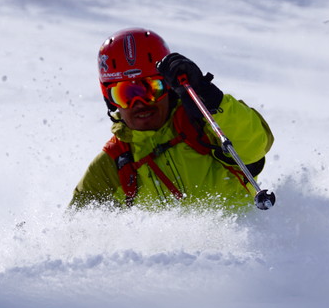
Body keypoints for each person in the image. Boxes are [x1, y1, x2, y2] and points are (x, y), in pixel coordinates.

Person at [70, 28, 274, 211]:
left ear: (168, 86)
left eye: (152, 89)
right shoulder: (114, 165)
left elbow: (256, 144)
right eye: (125, 94)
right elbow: (75, 234)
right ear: (109, 99)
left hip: (244, 247)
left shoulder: (205, 123)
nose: (140, 103)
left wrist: (209, 98)